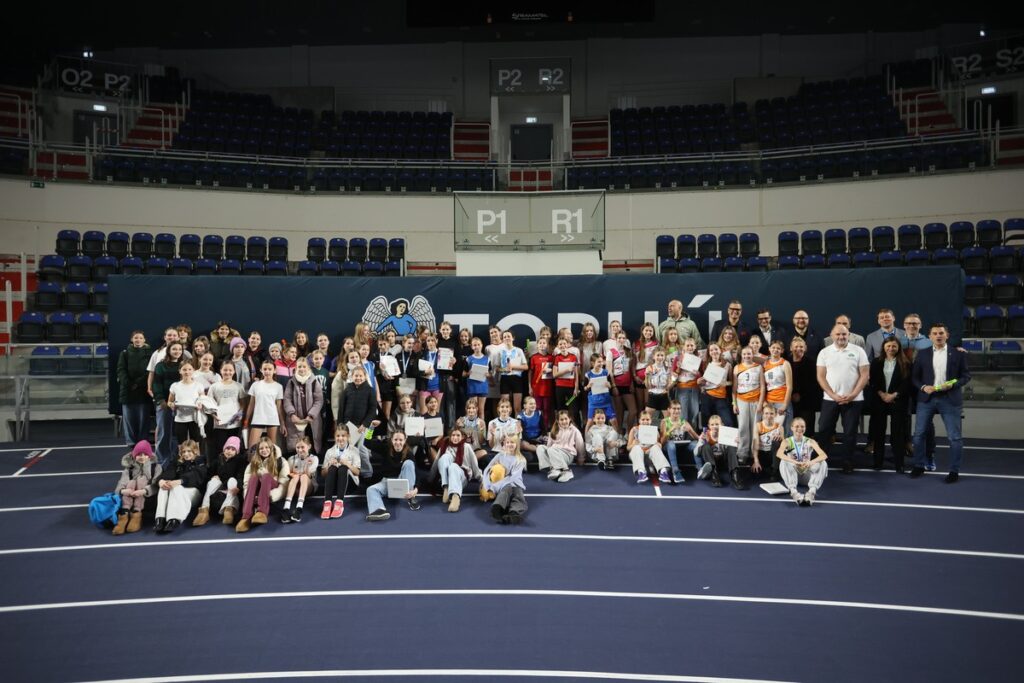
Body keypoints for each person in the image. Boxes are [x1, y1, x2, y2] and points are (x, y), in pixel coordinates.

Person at [909, 323, 971, 483]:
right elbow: (914, 378)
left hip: (950, 399)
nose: (938, 336)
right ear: (929, 337)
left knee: (954, 437)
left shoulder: (958, 354)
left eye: (941, 333)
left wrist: (953, 384)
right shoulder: (922, 354)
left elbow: (965, 376)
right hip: (926, 399)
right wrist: (923, 387)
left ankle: (954, 471)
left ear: (947, 335)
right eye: (935, 333)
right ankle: (918, 465)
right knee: (919, 435)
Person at [816, 324, 870, 474]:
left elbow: (865, 375)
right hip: (830, 399)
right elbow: (820, 377)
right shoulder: (824, 352)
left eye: (844, 334)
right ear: (831, 335)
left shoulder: (858, 351)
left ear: (848, 335)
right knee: (824, 430)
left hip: (854, 400)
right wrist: (833, 395)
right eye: (838, 334)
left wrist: (852, 395)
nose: (841, 337)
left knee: (850, 433)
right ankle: (821, 460)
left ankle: (847, 461)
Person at [869, 338, 911, 472]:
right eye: (888, 346)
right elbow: (873, 382)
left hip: (898, 401)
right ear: (883, 347)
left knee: (897, 434)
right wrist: (882, 394)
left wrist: (894, 395)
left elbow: (907, 383)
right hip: (879, 400)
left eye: (894, 346)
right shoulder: (876, 362)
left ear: (898, 348)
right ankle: (877, 463)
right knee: (878, 433)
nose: (891, 348)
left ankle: (899, 464)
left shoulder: (906, 363)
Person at [235, 437, 290, 532]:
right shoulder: (253, 463)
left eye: (267, 447)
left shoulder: (281, 461)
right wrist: (247, 495)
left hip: (273, 486)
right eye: (261, 448)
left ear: (271, 448)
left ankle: (262, 512)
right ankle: (246, 516)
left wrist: (273, 494)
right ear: (258, 450)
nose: (264, 450)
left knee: (266, 476)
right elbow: (246, 483)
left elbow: (284, 483)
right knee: (253, 477)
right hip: (258, 488)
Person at [153, 439, 206, 534]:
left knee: (176, 487)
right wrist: (161, 481)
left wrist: (180, 481)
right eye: (184, 451)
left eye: (189, 451)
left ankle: (174, 519)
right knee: (164, 487)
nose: (186, 454)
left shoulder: (201, 461)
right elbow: (168, 473)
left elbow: (196, 476)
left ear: (195, 451)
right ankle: (160, 518)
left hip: (193, 492)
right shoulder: (177, 462)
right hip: (177, 491)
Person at [193, 435, 246, 527]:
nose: (229, 451)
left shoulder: (240, 461)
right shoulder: (217, 461)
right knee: (213, 481)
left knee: (232, 480)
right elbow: (207, 475)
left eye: (233, 449)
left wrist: (238, 487)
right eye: (228, 448)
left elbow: (241, 477)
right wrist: (213, 477)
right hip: (217, 493)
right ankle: (204, 509)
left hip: (232, 492)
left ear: (237, 452)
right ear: (224, 449)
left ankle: (228, 509)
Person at [112, 440, 162, 535]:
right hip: (130, 497)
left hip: (148, 498)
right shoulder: (129, 469)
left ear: (149, 456)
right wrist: (124, 491)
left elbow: (156, 485)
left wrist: (144, 491)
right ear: (134, 456)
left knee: (142, 480)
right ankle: (124, 514)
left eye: (145, 454)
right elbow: (120, 484)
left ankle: (136, 514)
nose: (142, 457)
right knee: (131, 482)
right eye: (139, 454)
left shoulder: (156, 467)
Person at [776, 417, 828, 505]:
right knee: (783, 461)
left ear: (805, 428)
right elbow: (779, 454)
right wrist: (795, 462)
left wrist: (810, 462)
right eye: (797, 426)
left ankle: (811, 493)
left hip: (806, 474)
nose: (800, 428)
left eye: (802, 426)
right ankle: (794, 492)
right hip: (794, 473)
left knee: (823, 462)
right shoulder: (787, 441)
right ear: (791, 427)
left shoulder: (810, 441)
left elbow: (824, 455)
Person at [151, 341, 185, 469]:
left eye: (179, 349)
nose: (177, 352)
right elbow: (156, 385)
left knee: (177, 435)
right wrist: (162, 401)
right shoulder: (161, 366)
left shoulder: (184, 365)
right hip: (164, 405)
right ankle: (161, 463)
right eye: (174, 349)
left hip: (181, 406)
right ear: (169, 351)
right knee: (164, 434)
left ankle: (176, 460)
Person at [481, 435, 528, 525]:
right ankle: (497, 508)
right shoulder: (500, 455)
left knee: (518, 494)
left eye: (512, 442)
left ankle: (514, 513)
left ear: (517, 444)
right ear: (504, 444)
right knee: (506, 490)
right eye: (507, 442)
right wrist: (487, 485)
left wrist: (495, 487)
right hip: (500, 483)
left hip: (514, 482)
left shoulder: (520, 460)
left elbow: (514, 478)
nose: (509, 444)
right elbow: (488, 469)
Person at [206, 360, 247, 460]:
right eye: (225, 370)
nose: (227, 372)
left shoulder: (238, 386)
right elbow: (209, 404)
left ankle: (233, 471)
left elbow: (242, 403)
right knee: (221, 448)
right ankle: (220, 470)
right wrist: (213, 415)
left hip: (234, 423)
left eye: (230, 370)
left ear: (234, 371)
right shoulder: (214, 386)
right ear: (220, 370)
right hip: (220, 423)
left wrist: (240, 413)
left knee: (234, 447)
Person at [116, 331, 152, 448]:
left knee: (143, 419)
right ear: (132, 340)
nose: (138, 340)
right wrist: (128, 383)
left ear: (144, 340)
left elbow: (150, 371)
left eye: (140, 338)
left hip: (143, 390)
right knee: (129, 419)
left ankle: (143, 441)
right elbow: (121, 370)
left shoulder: (149, 353)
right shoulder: (124, 353)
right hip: (127, 390)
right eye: (136, 338)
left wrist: (138, 383)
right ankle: (131, 441)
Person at [436, 427, 483, 513]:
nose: (455, 437)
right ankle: (446, 488)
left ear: (462, 437)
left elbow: (474, 465)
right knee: (444, 457)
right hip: (448, 478)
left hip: (462, 476)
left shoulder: (467, 447)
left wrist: (482, 480)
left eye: (458, 435)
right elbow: (436, 463)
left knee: (453, 466)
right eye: (453, 435)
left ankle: (455, 497)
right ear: (450, 437)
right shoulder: (444, 446)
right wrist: (430, 479)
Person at [283, 358, 324, 455]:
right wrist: (292, 414)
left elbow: (319, 400)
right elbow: (287, 399)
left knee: (312, 445)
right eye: (299, 367)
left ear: (308, 368)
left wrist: (311, 415)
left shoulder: (314, 382)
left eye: (304, 366)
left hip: (311, 421)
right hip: (296, 421)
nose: (302, 369)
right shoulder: (291, 382)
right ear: (296, 368)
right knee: (296, 446)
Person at [319, 426, 361, 519]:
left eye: (343, 436)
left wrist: (347, 464)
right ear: (334, 437)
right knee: (333, 467)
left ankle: (339, 503)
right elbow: (323, 474)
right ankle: (327, 503)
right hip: (334, 485)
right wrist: (329, 464)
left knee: (343, 468)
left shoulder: (354, 450)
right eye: (338, 436)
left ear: (348, 436)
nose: (340, 438)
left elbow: (357, 472)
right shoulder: (330, 451)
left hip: (350, 484)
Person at [733, 346, 764, 467]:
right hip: (742, 401)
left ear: (753, 354)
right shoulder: (737, 368)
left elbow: (762, 386)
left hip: (756, 400)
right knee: (743, 427)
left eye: (749, 354)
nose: (746, 356)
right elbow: (734, 389)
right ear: (741, 355)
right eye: (744, 354)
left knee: (755, 428)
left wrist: (761, 402)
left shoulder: (758, 367)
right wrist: (734, 403)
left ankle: (753, 454)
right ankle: (742, 454)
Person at [244, 361, 286, 450]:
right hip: (258, 418)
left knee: (271, 448)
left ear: (274, 371)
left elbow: (279, 406)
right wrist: (246, 420)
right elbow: (251, 404)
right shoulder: (255, 385)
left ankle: (271, 464)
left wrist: (282, 423)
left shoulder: (278, 386)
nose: (267, 371)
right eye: (265, 369)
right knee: (252, 448)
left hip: (272, 419)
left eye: (270, 369)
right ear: (261, 370)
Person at [167, 359, 205, 452]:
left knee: (196, 443)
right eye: (184, 369)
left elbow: (204, 401)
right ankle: (181, 463)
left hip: (195, 419)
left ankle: (197, 463)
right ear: (180, 371)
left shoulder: (199, 385)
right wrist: (172, 405)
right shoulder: (175, 386)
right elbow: (169, 402)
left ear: (193, 370)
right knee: (181, 443)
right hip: (180, 419)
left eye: (189, 369)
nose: (187, 372)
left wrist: (201, 405)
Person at [536, 410, 584, 482]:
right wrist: (548, 453)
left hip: (567, 454)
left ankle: (567, 471)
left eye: (566, 419)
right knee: (540, 448)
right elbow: (549, 445)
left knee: (551, 449)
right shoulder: (554, 430)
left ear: (569, 419)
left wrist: (580, 459)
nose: (564, 421)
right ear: (558, 421)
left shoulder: (574, 430)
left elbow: (580, 445)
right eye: (561, 419)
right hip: (554, 452)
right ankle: (552, 469)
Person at [694, 414, 741, 488]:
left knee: (732, 447)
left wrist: (737, 444)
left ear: (722, 424)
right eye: (712, 424)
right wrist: (701, 441)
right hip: (711, 463)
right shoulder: (705, 434)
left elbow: (736, 453)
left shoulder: (726, 434)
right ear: (709, 426)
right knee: (705, 446)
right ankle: (714, 475)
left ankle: (735, 475)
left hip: (723, 461)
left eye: (717, 424)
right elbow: (696, 453)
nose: (715, 426)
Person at [280, 436, 319, 523]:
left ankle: (299, 508)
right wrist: (295, 475)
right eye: (298, 447)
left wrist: (307, 466)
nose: (300, 450)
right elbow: (288, 474)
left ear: (309, 446)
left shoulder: (314, 459)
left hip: (309, 487)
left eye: (302, 447)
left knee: (304, 476)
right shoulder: (291, 459)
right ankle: (286, 508)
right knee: (296, 476)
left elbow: (309, 475)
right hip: (295, 487)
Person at [788, 337, 821, 438]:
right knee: (790, 428)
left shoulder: (811, 362)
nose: (799, 348)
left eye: (801, 346)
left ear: (805, 348)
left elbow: (814, 383)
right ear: (791, 348)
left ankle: (807, 450)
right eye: (796, 346)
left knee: (806, 429)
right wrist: (791, 395)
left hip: (807, 401)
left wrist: (800, 395)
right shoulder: (786, 362)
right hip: (789, 400)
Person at [626, 412, 672, 484]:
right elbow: (628, 448)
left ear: (651, 421)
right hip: (637, 455)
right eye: (643, 419)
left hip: (650, 456)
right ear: (639, 420)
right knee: (636, 448)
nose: (645, 421)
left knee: (656, 447)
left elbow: (658, 446)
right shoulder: (634, 430)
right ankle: (641, 473)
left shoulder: (655, 431)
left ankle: (663, 472)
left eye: (647, 419)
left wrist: (659, 445)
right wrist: (633, 444)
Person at [660, 400, 700, 483]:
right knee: (671, 444)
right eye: (674, 408)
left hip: (681, 446)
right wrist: (670, 430)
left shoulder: (683, 421)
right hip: (668, 447)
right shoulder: (665, 422)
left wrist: (690, 431)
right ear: (669, 410)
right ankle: (675, 471)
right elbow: (662, 442)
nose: (676, 411)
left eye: (678, 409)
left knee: (695, 444)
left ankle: (700, 468)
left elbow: (697, 438)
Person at [607, 330, 638, 433]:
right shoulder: (611, 351)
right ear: (616, 339)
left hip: (628, 384)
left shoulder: (628, 351)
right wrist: (613, 386)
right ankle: (619, 434)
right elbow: (609, 371)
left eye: (623, 338)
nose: (621, 340)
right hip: (617, 384)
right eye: (619, 338)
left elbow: (631, 369)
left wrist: (632, 383)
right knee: (619, 413)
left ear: (626, 339)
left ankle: (629, 433)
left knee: (633, 411)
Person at [698, 343, 734, 427]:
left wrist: (724, 383)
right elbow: (702, 382)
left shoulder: (727, 365)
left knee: (728, 422)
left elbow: (732, 382)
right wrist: (699, 382)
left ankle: (724, 440)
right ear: (709, 352)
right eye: (711, 350)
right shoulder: (705, 364)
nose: (714, 351)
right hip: (707, 395)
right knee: (705, 422)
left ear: (720, 350)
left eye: (716, 349)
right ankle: (706, 439)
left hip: (721, 397)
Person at [763, 340, 793, 434]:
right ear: (769, 349)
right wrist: (764, 401)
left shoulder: (785, 364)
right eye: (773, 348)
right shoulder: (765, 364)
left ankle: (787, 449)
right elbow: (763, 386)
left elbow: (790, 386)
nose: (775, 350)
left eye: (778, 348)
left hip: (782, 401)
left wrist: (785, 404)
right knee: (771, 431)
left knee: (786, 431)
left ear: (782, 350)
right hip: (769, 403)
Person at [671, 337, 701, 429]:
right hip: (682, 388)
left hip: (694, 388)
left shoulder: (698, 359)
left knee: (694, 413)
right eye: (687, 345)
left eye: (692, 345)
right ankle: (681, 437)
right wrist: (678, 368)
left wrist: (697, 374)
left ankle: (692, 438)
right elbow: (673, 375)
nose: (690, 347)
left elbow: (702, 376)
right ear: (683, 347)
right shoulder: (678, 358)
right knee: (683, 414)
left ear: (695, 347)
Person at [496, 330, 529, 414]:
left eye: (508, 336)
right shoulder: (500, 351)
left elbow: (525, 367)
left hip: (516, 379)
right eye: (504, 337)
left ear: (513, 338)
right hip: (505, 379)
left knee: (517, 407)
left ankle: (517, 426)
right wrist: (504, 370)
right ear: (502, 339)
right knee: (504, 406)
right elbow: (497, 368)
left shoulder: (518, 350)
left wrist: (513, 367)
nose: (507, 338)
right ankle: (505, 425)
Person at [528, 337, 555, 432]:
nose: (542, 345)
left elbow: (555, 371)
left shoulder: (551, 357)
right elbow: (530, 373)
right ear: (537, 345)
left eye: (544, 343)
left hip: (548, 387)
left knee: (547, 409)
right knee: (537, 409)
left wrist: (551, 370)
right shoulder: (534, 357)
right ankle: (537, 428)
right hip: (536, 388)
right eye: (540, 343)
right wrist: (530, 386)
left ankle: (546, 428)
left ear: (547, 345)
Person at [752, 403, 783, 482]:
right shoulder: (758, 426)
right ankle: (767, 468)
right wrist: (756, 461)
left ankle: (775, 470)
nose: (769, 416)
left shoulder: (779, 427)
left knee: (776, 442)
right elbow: (755, 444)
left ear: (775, 414)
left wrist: (781, 439)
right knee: (757, 475)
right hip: (762, 453)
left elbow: (784, 446)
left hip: (773, 455)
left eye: (771, 413)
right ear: (762, 414)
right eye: (766, 413)